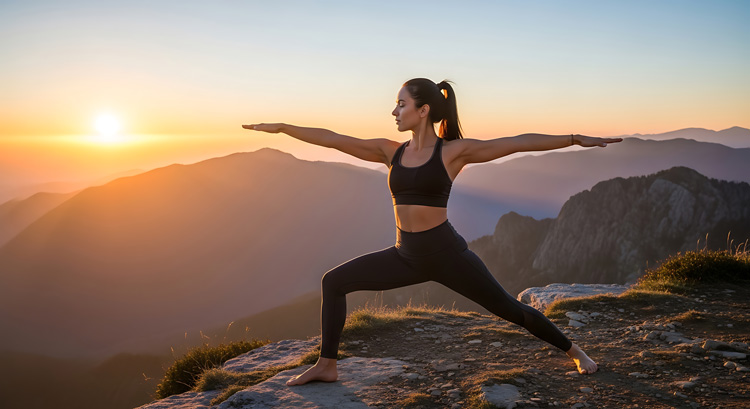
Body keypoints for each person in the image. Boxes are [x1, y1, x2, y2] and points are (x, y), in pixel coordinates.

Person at [243, 78, 622, 386]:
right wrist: (282, 128)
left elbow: (514, 144)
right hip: (405, 255)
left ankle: (576, 353)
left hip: (446, 255)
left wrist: (573, 138)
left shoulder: (453, 153)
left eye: (401, 104)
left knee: (510, 310)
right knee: (334, 281)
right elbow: (333, 138)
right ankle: (327, 364)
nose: (394, 111)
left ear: (423, 110)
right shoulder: (389, 151)